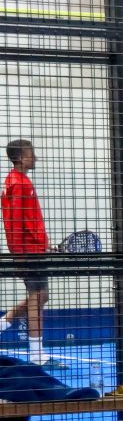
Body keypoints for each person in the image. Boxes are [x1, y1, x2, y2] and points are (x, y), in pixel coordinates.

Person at [1, 139, 50, 365]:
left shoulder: (15, 180)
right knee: (37, 297)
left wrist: (43, 243)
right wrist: (22, 254)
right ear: (20, 158)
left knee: (41, 296)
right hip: (29, 252)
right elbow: (16, 222)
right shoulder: (19, 183)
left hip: (32, 248)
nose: (35, 157)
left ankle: (4, 322)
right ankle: (37, 354)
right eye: (31, 154)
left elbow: (26, 221)